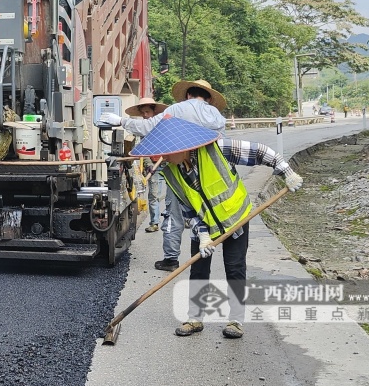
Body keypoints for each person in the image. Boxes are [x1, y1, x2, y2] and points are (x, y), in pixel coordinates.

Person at [129, 117, 304, 339]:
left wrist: (286, 172)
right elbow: (189, 210)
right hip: (205, 225)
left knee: (234, 267)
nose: (164, 157)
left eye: (168, 151)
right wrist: (202, 236)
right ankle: (195, 318)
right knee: (199, 269)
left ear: (182, 147)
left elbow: (261, 151)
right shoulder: (171, 172)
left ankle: (236, 320)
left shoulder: (217, 148)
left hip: (236, 218)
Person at [99, 79, 228, 271]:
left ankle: (171, 259)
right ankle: (204, 254)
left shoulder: (177, 109)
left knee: (173, 216)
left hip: (180, 170)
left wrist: (120, 121)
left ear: (188, 94)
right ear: (209, 98)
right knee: (206, 212)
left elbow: (150, 127)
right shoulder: (217, 117)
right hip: (210, 174)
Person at [125, 98, 169, 233]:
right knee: (154, 195)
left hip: (169, 164)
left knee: (173, 195)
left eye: (147, 112)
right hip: (153, 167)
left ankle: (173, 219)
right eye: (143, 112)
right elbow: (144, 149)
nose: (145, 115)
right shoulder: (143, 129)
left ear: (154, 111)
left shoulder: (163, 125)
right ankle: (154, 222)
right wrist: (149, 164)